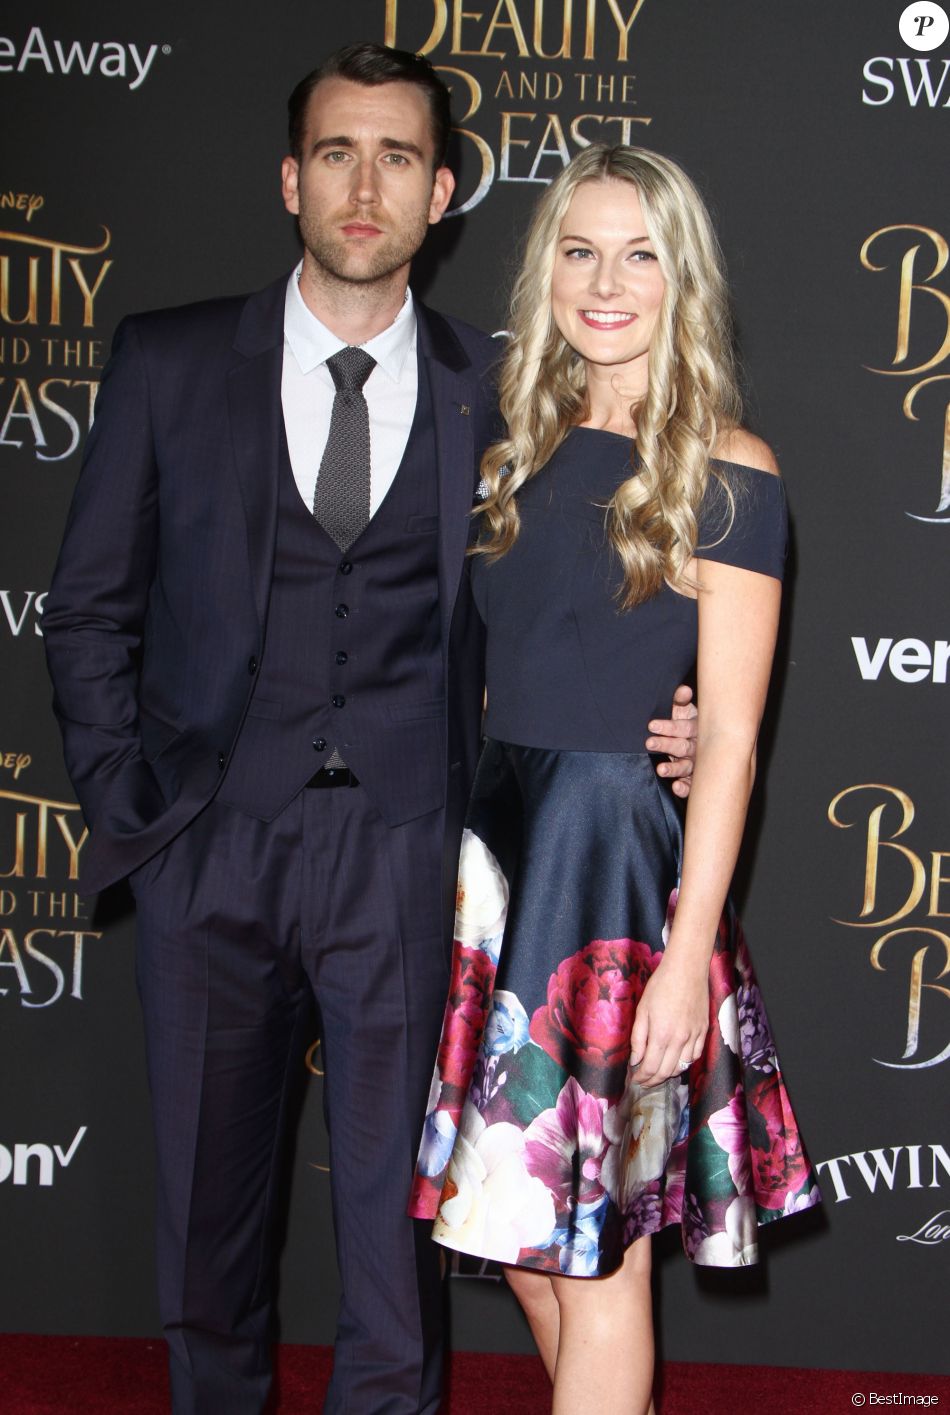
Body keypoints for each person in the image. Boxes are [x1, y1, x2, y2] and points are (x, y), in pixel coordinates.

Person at [42, 46, 698, 1415]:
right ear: (291, 179)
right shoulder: (168, 360)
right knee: (206, 1229)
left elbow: (592, 599)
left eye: (398, 156)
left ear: (442, 191)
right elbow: (87, 608)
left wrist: (683, 718)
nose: (364, 182)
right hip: (209, 844)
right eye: (336, 152)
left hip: (409, 852)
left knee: (396, 1247)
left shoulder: (508, 389)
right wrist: (140, 812)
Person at [409, 145, 821, 1415]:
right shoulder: (502, 448)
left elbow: (735, 738)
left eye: (640, 252)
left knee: (594, 1265)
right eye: (580, 250)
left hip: (616, 877)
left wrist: (689, 952)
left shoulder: (726, 469)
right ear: (546, 274)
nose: (607, 281)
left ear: (679, 279)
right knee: (523, 1244)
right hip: (500, 865)